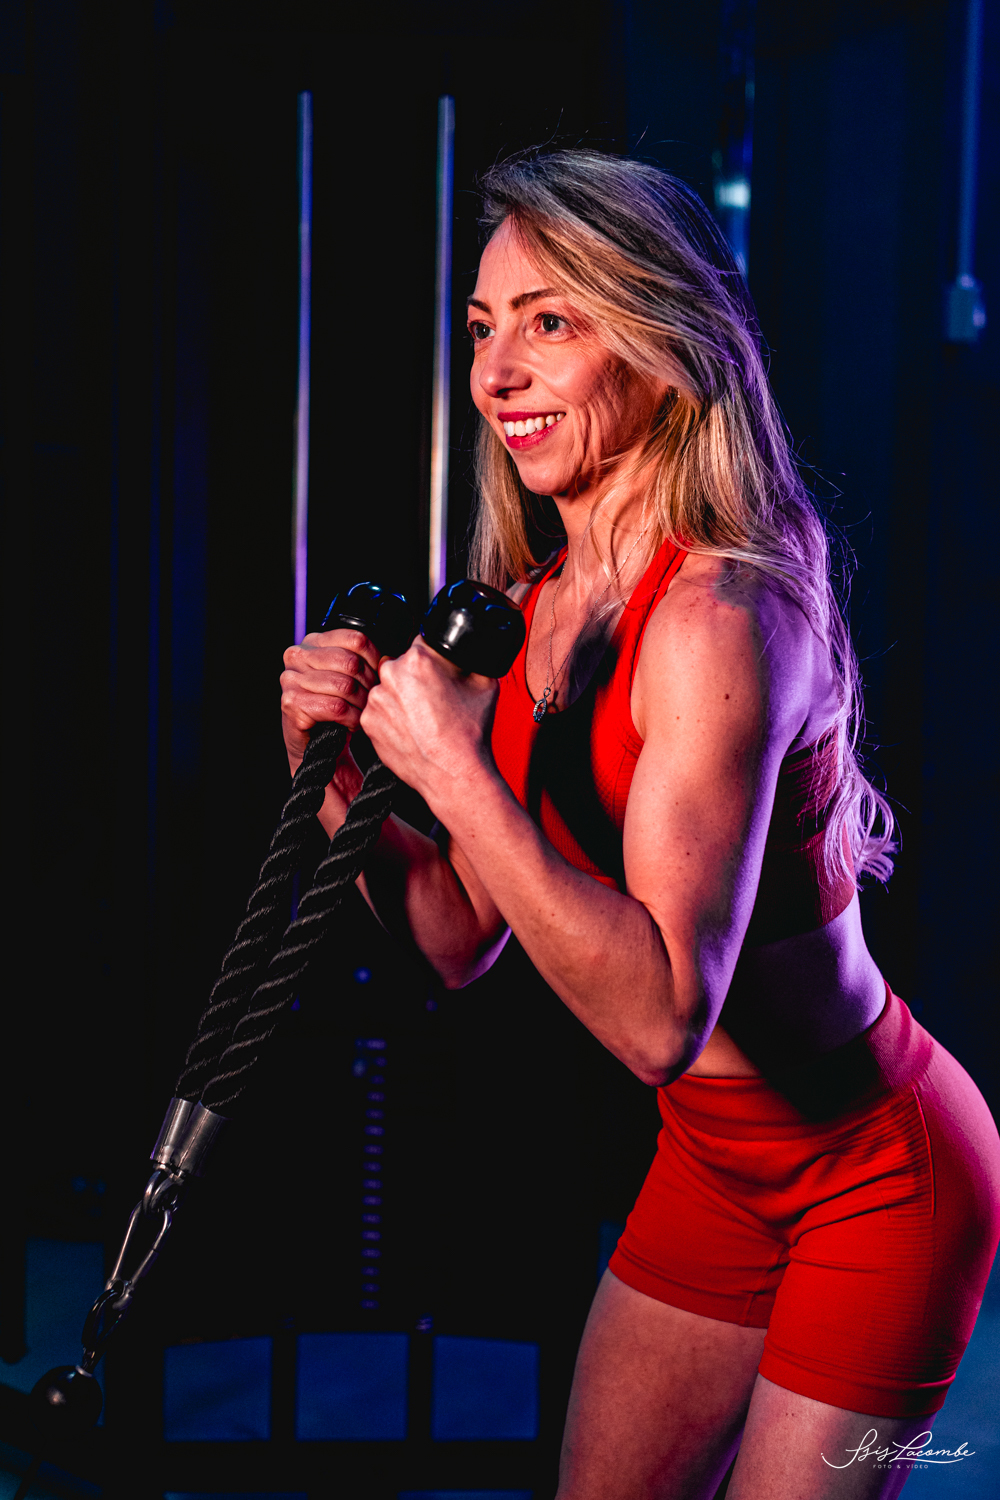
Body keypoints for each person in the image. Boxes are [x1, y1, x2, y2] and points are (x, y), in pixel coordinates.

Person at [279, 151, 1000, 1499]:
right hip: (712, 1169)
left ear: (664, 346)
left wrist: (456, 770)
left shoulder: (725, 615)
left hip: (875, 1174)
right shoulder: (534, 607)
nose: (498, 374)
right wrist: (332, 766)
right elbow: (456, 938)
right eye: (483, 328)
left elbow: (663, 1017)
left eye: (551, 321)